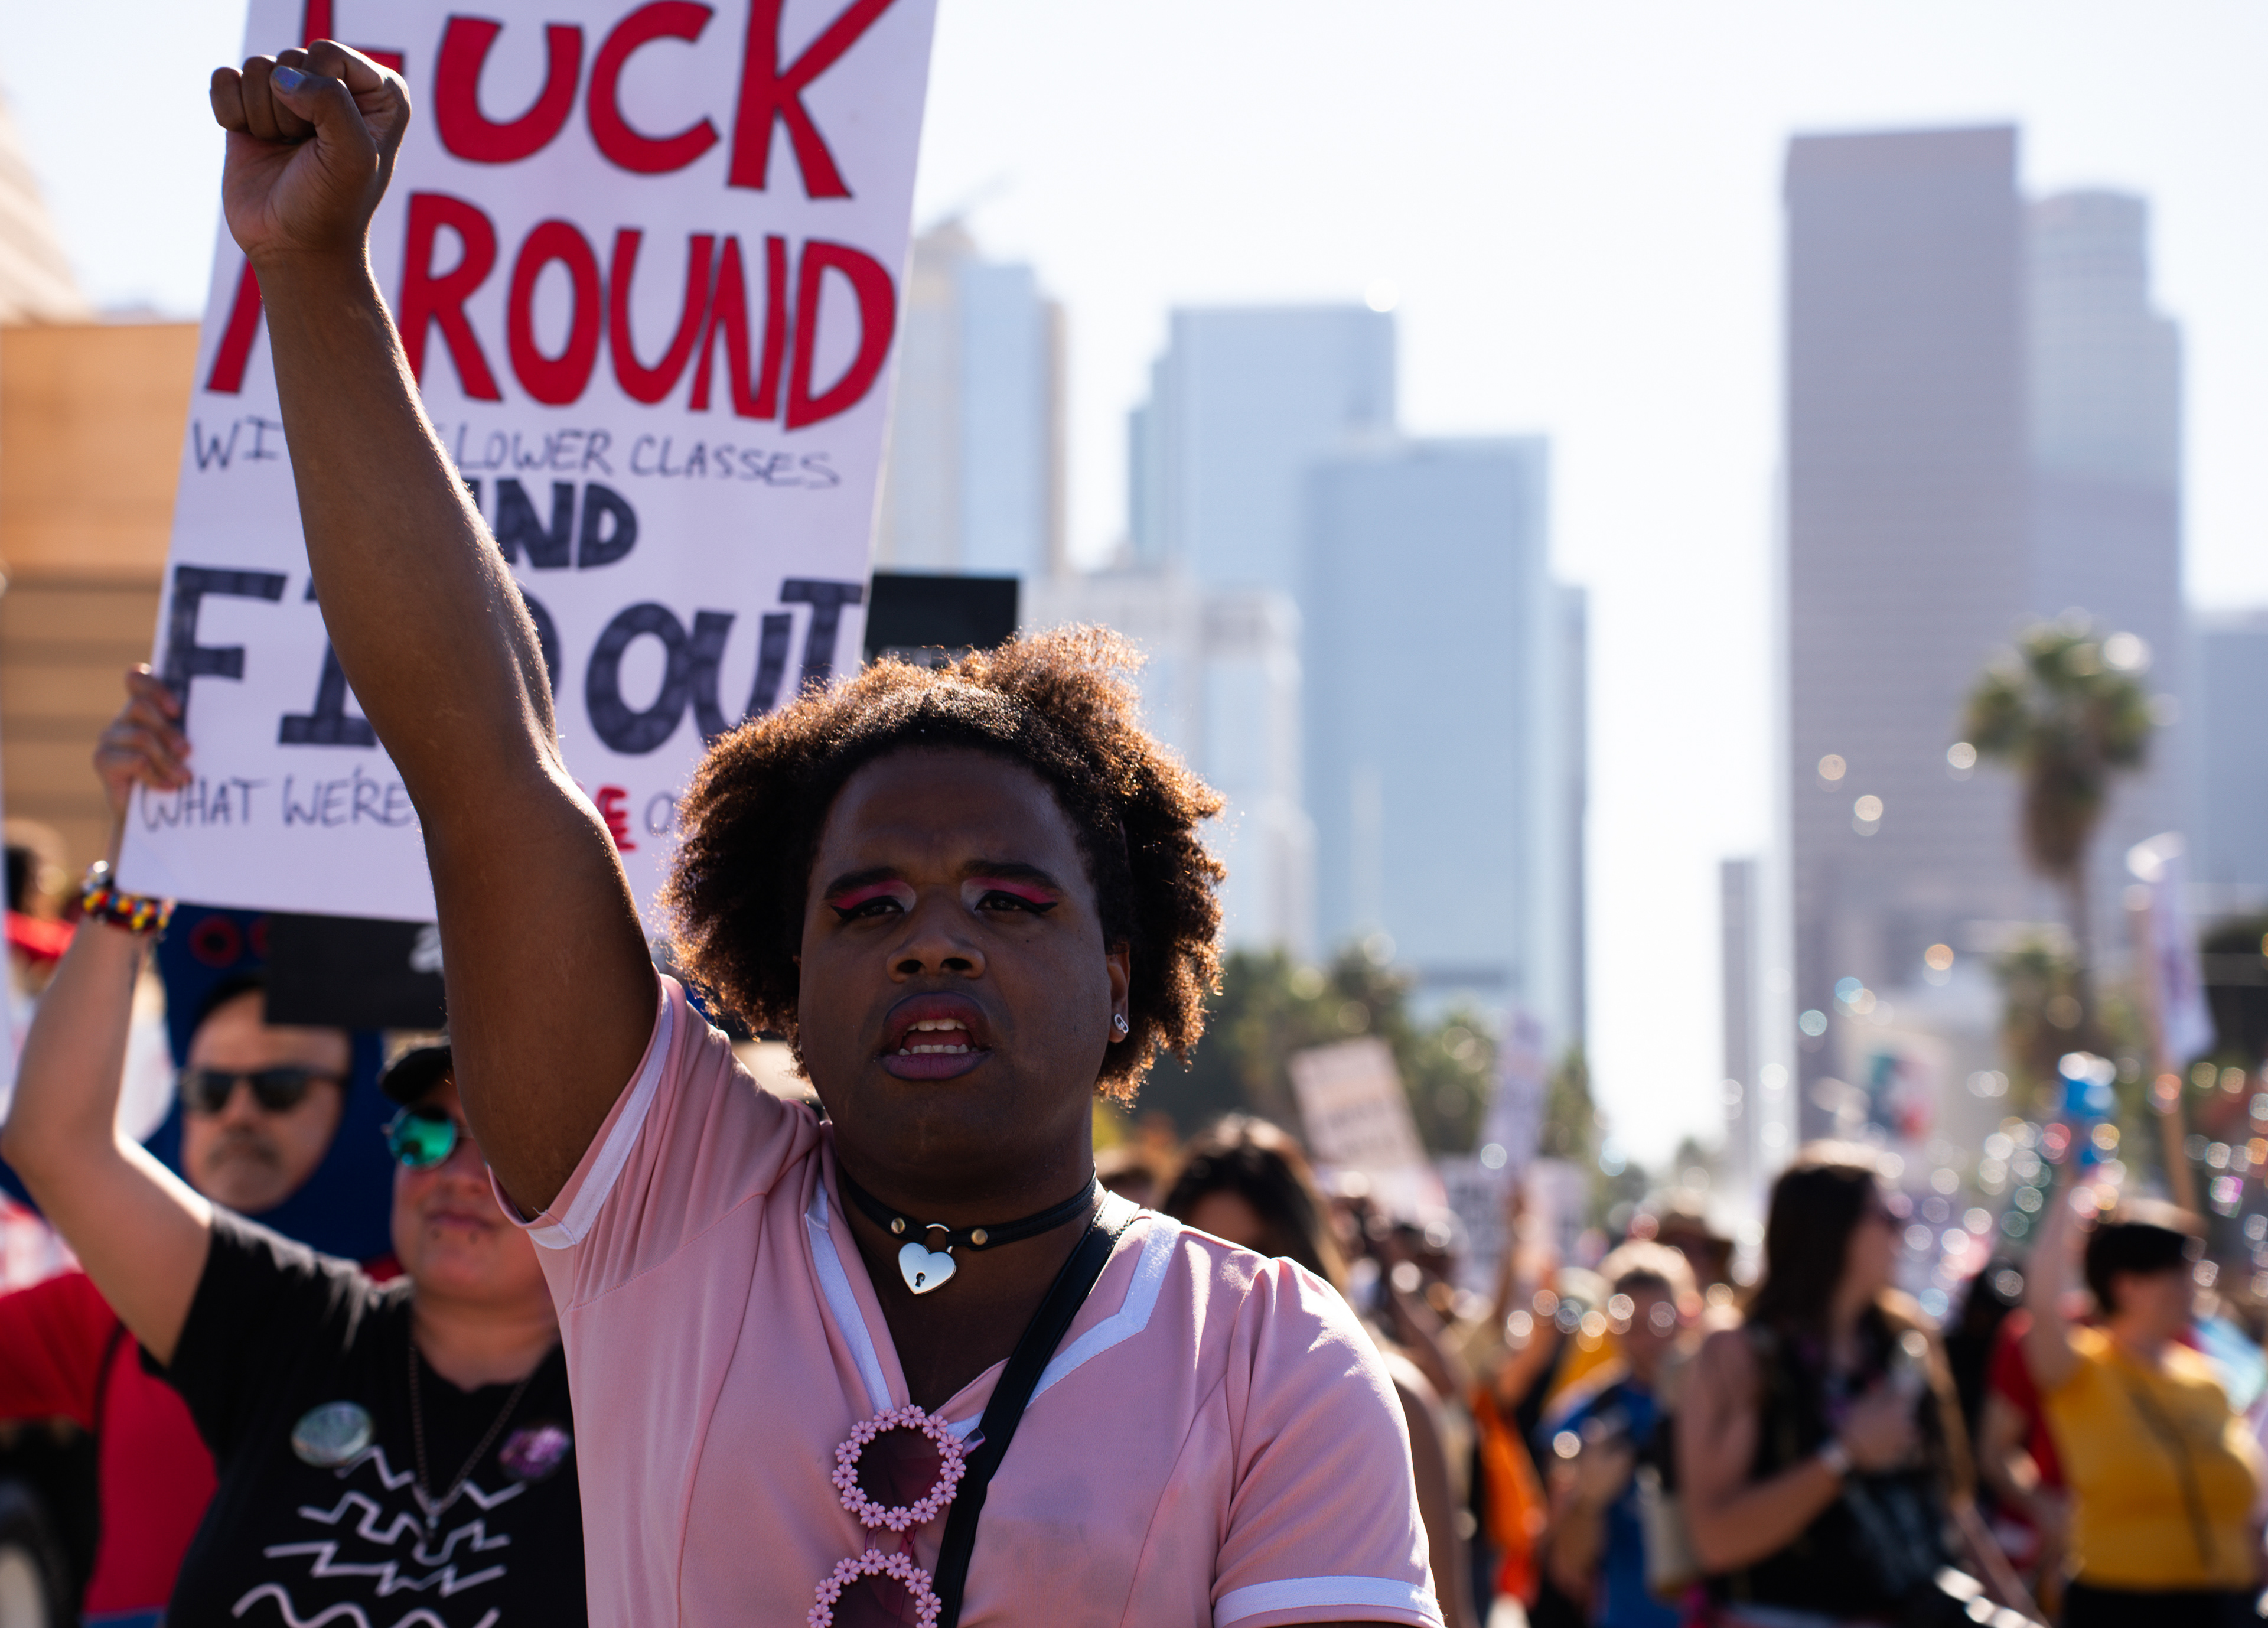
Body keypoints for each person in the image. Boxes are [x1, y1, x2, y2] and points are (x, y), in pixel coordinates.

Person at [195, 41, 1439, 1627]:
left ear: (1124, 976)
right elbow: (485, 765)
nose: (934, 932)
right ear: (784, 977)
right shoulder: (669, 1202)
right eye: (865, 905)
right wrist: (312, 275)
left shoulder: (1276, 1354)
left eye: (1008, 896)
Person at [0, 691, 584, 1628]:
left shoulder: (649, 1385)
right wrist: (141, 861)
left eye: (505, 1144)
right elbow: (57, 1146)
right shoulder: (300, 1331)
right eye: (428, 1134)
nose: (455, 1173)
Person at [1165, 1118, 1481, 1628]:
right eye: (1209, 1262)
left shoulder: (1392, 1396)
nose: (1240, 1288)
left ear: (1306, 1253)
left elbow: (1454, 1615)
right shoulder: (1138, 1406)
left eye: (1260, 1257)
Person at [1678, 1146, 1984, 1626]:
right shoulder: (1741, 1353)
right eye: (1888, 1214)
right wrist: (1843, 1456)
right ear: (1830, 1230)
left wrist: (2014, 1612)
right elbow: (1715, 1540)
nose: (1902, 1230)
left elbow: (1953, 1508)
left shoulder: (1906, 1339)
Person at [2022, 1179, 2264, 1626]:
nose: (2191, 1283)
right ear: (2127, 1285)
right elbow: (2041, 1298)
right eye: (2175, 1270)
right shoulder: (2084, 1368)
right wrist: (2071, 1180)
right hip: (2123, 1607)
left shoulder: (2206, 1377)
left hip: (2223, 1606)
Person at [1536, 1242, 1699, 1628]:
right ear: (1609, 1323)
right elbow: (1567, 1567)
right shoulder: (1583, 1416)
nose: (1645, 1339)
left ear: (1687, 1315)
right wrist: (1588, 1501)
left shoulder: (1720, 1403)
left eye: (1660, 1318)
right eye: (1628, 1320)